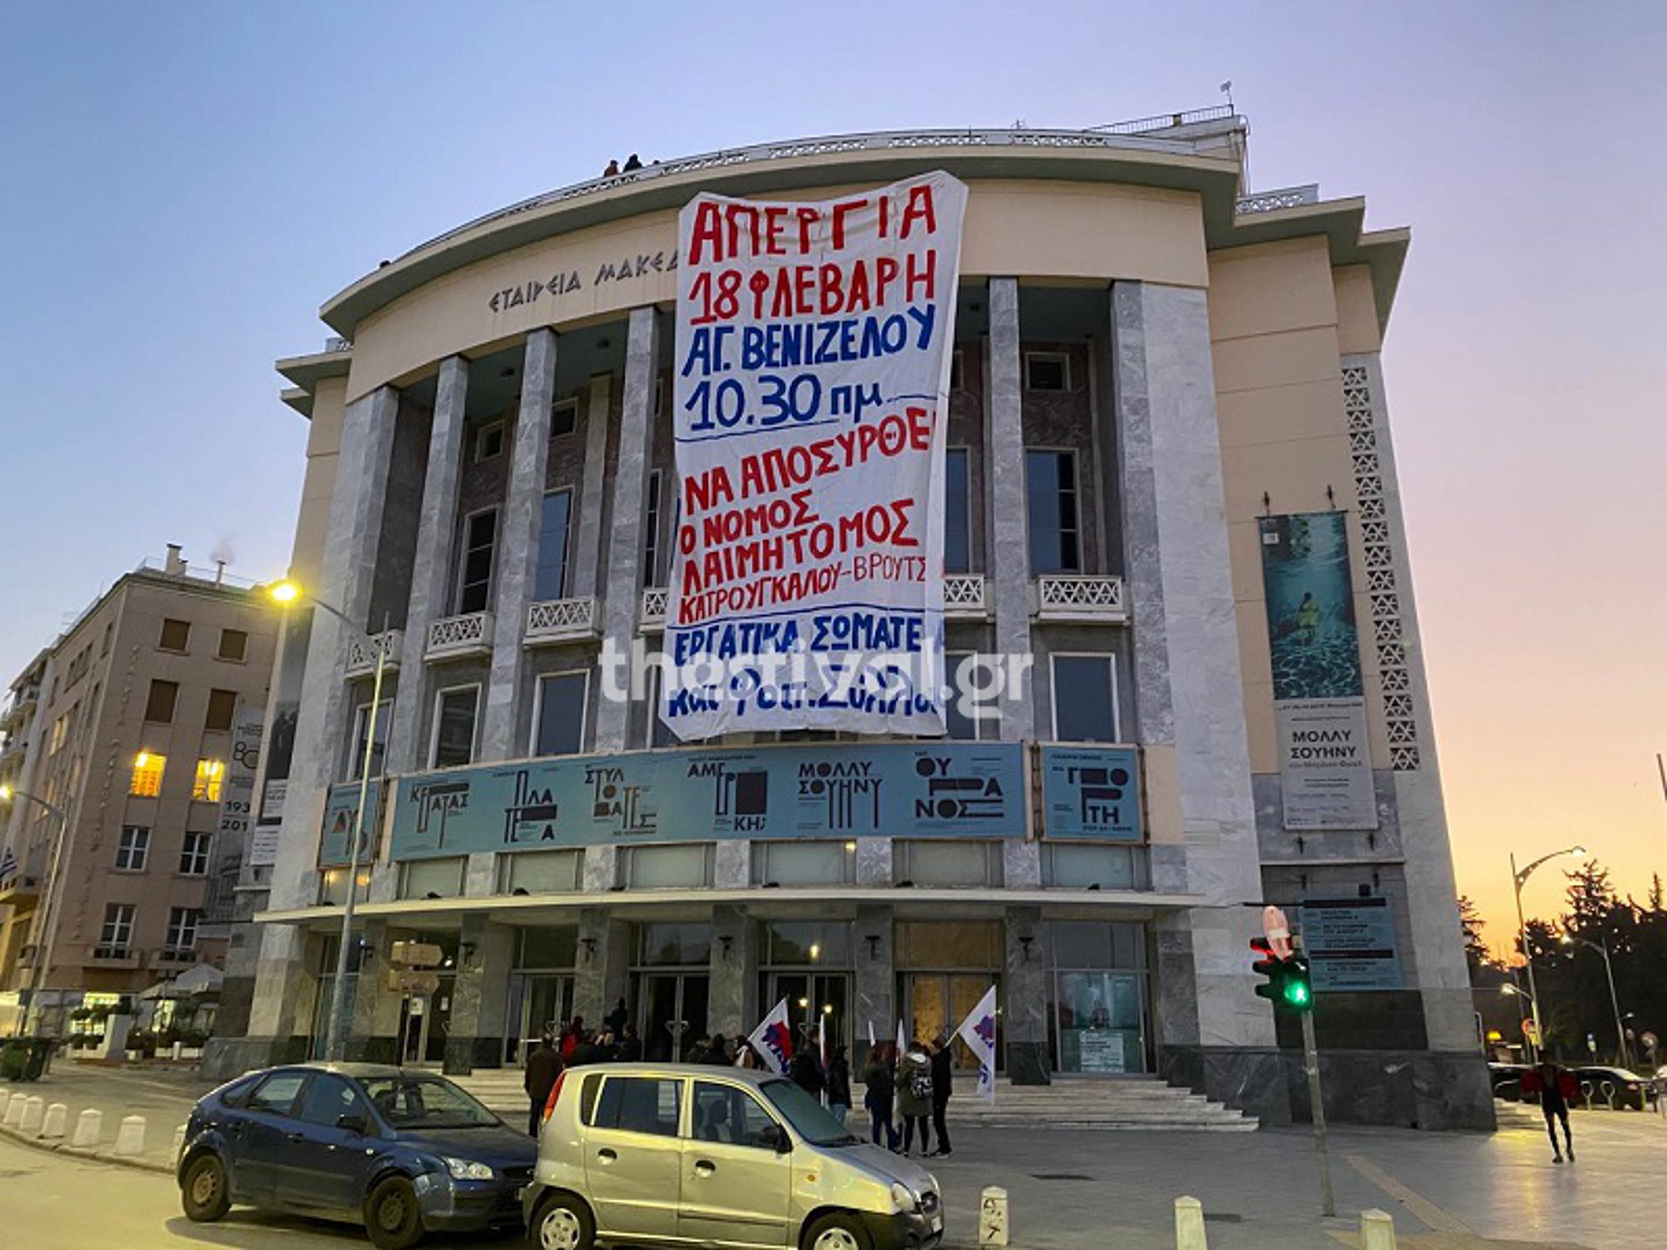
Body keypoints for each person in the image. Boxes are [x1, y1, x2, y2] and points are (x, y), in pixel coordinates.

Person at [1526, 1058, 1576, 1162]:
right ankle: (1559, 1152)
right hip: (1549, 1101)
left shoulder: (1556, 1070)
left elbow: (1568, 1078)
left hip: (1556, 1101)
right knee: (1552, 1127)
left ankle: (1568, 1149)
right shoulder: (1540, 1070)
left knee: (1564, 1125)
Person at [523, 1030, 562, 1138]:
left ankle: (532, 1136)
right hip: (549, 1091)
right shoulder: (555, 1057)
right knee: (547, 1117)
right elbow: (558, 1074)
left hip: (536, 1090)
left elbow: (528, 1073)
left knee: (534, 1117)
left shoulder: (534, 1055)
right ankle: (546, 1136)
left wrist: (528, 1086)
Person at [897, 1041, 934, 1156]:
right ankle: (924, 1150)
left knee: (909, 1125)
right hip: (924, 1097)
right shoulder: (927, 1062)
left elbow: (901, 1080)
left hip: (909, 1097)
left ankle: (907, 1150)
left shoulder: (906, 1063)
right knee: (923, 1125)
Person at [863, 1042, 899, 1148]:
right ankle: (890, 1143)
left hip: (876, 1096)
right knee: (884, 1122)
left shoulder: (871, 1066)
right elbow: (886, 1082)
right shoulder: (880, 1067)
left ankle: (878, 1142)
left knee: (878, 1122)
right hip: (881, 1097)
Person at [927, 1034, 954, 1157]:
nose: (930, 1051)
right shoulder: (940, 1059)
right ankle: (942, 1145)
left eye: (932, 1048)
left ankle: (945, 1147)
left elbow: (939, 1076)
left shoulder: (941, 1061)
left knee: (939, 1121)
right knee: (938, 1121)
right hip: (938, 1094)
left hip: (940, 1095)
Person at [826, 1045, 852, 1125]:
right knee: (838, 1122)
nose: (848, 1055)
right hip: (840, 1099)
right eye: (846, 1053)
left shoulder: (834, 1066)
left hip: (834, 1099)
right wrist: (846, 1099)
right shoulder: (840, 1067)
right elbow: (841, 1085)